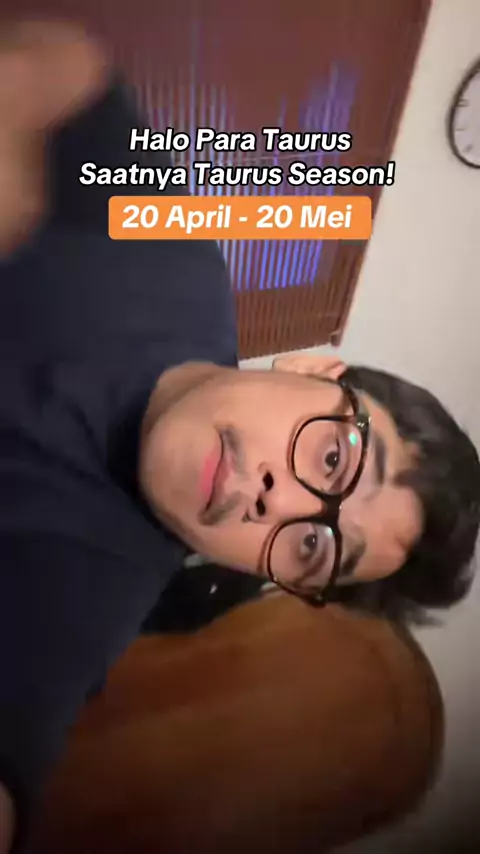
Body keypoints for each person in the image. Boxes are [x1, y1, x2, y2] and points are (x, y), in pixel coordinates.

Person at [0, 19, 479, 853]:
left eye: (313, 549)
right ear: (312, 369)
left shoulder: (82, 597)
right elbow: (77, 70)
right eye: (334, 459)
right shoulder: (176, 262)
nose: (276, 501)